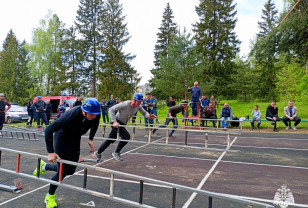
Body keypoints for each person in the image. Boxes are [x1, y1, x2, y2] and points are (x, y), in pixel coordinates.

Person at [32, 98, 101, 208]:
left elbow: (95, 125)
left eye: (96, 114)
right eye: (92, 114)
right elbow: (48, 130)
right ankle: (49, 196)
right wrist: (51, 152)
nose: (95, 116)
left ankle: (44, 166)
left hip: (75, 138)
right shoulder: (71, 115)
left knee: (71, 170)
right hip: (62, 138)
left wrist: (91, 139)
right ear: (85, 111)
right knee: (63, 171)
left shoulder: (95, 114)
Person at [95, 93, 156, 162]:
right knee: (126, 136)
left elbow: (144, 113)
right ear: (134, 100)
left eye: (140, 102)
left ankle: (98, 153)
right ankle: (116, 152)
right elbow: (111, 109)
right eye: (138, 101)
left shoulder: (138, 106)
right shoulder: (125, 104)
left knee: (110, 139)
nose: (139, 103)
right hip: (116, 122)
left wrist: (149, 116)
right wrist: (114, 121)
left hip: (123, 123)